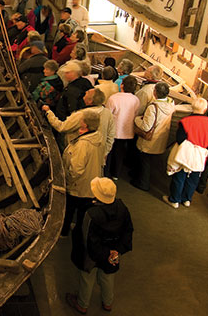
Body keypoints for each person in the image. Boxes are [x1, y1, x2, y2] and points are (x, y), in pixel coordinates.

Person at [67, 177, 133, 314]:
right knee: (108, 277)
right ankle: (107, 303)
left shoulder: (92, 214)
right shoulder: (122, 208)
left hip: (92, 254)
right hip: (113, 251)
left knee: (87, 278)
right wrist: (116, 251)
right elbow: (128, 231)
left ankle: (82, 304)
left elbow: (87, 239)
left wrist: (103, 254)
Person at [163, 99, 208, 208]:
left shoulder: (185, 121)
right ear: (205, 109)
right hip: (201, 154)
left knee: (179, 176)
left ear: (192, 107)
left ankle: (174, 200)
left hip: (185, 153)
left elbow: (179, 138)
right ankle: (187, 199)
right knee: (193, 178)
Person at [59, 113, 106, 237]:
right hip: (91, 184)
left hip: (78, 186)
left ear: (85, 124)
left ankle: (64, 232)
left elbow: (76, 170)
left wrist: (66, 181)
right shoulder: (99, 138)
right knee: (83, 211)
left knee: (70, 208)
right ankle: (79, 230)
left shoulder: (82, 144)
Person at [131, 82, 176, 191]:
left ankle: (143, 183)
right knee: (150, 162)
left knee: (144, 162)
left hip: (149, 140)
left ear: (155, 92)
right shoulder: (171, 103)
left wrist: (137, 119)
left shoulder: (153, 107)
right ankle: (143, 179)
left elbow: (146, 127)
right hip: (161, 138)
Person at [44, 88, 114, 152]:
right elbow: (111, 135)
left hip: (78, 151)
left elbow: (61, 127)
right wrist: (105, 152)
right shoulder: (107, 113)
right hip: (98, 152)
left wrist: (48, 112)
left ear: (90, 101)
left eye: (88, 92)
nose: (85, 91)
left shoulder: (82, 115)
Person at [105, 76, 140, 180]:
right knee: (119, 153)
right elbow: (136, 114)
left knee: (109, 152)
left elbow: (107, 114)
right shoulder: (136, 100)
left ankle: (106, 173)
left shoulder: (114, 98)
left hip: (113, 129)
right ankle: (116, 173)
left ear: (122, 85)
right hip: (127, 131)